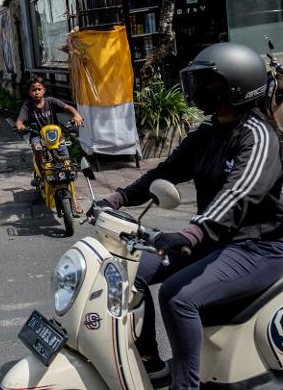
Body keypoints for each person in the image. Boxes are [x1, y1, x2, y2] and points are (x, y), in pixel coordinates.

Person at [93, 43, 283, 390]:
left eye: (208, 84)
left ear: (236, 88)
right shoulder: (206, 133)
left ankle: (186, 386)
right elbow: (165, 172)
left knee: (178, 296)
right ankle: (150, 363)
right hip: (215, 240)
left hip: (258, 247)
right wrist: (116, 198)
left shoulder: (259, 137)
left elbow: (238, 193)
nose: (197, 91)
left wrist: (192, 233)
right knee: (124, 272)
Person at [15, 76, 84, 212]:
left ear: (44, 90)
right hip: (38, 137)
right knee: (37, 148)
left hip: (57, 138)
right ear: (29, 92)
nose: (36, 92)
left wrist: (76, 115)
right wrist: (20, 126)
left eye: (39, 89)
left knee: (67, 166)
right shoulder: (27, 106)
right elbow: (19, 121)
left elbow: (68, 107)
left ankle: (74, 201)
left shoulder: (51, 101)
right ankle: (42, 174)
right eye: (33, 90)